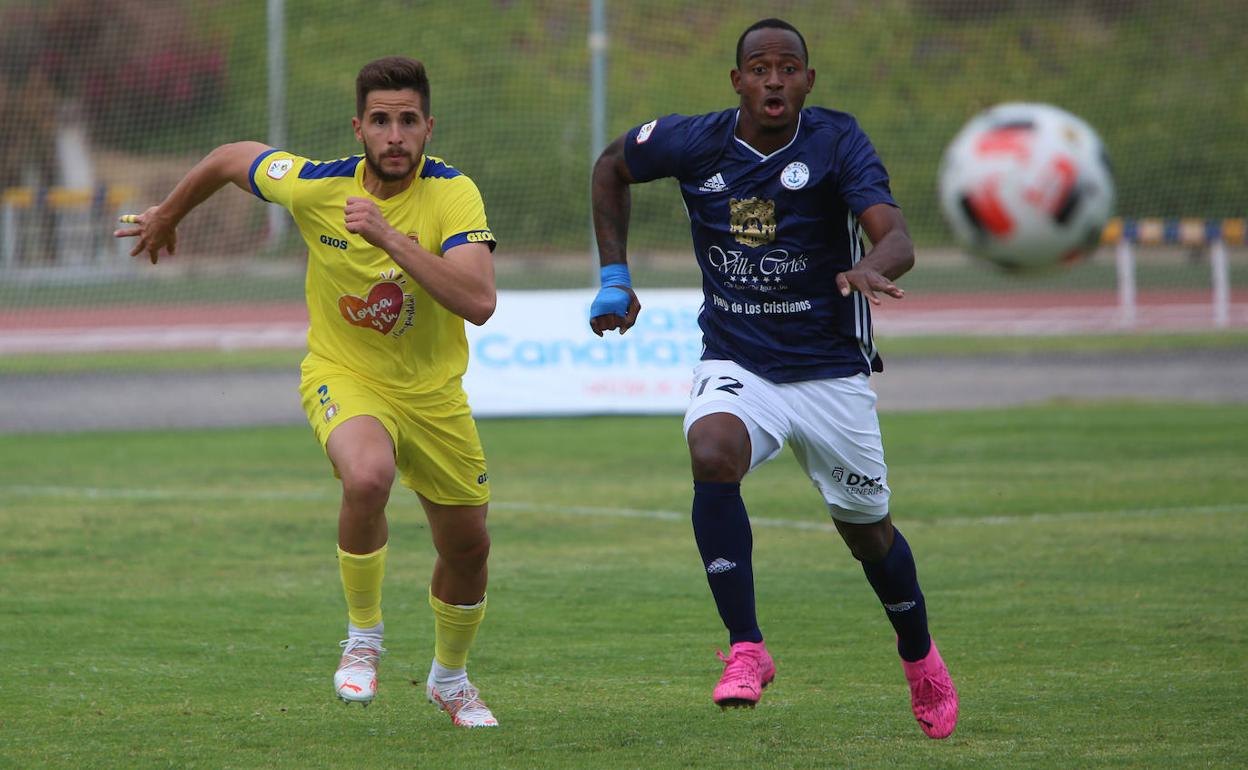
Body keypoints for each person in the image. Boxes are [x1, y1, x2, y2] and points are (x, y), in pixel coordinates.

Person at [588, 19, 959, 738]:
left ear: (806, 82)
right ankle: (746, 649)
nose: (774, 81)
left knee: (868, 534)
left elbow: (897, 236)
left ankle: (920, 659)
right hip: (739, 361)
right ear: (738, 82)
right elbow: (611, 164)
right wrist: (613, 275)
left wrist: (869, 268)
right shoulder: (695, 142)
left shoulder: (835, 141)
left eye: (788, 69)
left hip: (829, 373)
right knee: (710, 450)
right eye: (759, 69)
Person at [115, 56, 500, 728]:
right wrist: (168, 214)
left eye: (408, 120)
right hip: (342, 374)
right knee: (367, 477)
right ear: (359, 128)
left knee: (468, 549)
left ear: (428, 127)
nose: (394, 135)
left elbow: (477, 301)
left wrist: (385, 234)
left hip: (433, 395)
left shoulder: (454, 194)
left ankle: (451, 679)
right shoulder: (315, 185)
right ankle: (363, 638)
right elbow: (234, 157)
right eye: (380, 120)